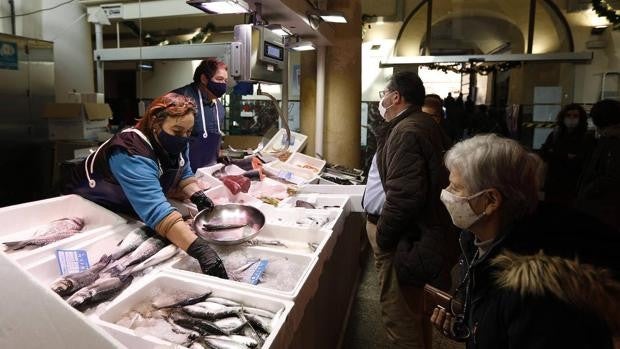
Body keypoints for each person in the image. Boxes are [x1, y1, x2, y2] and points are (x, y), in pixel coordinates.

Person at [431, 134, 620, 349]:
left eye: (456, 187)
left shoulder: (538, 289)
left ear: (491, 201)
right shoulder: (479, 242)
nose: (446, 193)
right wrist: (472, 330)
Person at [63, 92, 228, 279]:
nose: (184, 137)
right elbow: (157, 211)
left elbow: (184, 173)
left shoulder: (177, 141)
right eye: (177, 131)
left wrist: (197, 195)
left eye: (188, 132)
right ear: (155, 123)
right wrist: (201, 251)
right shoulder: (130, 151)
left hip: (127, 210)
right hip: (87, 210)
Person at [375, 71, 457, 348]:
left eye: (383, 94)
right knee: (416, 314)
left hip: (408, 239)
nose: (381, 100)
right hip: (422, 237)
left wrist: (383, 239)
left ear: (395, 96)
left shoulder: (407, 131)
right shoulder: (419, 124)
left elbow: (404, 196)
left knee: (401, 319)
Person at [172, 58, 229, 172]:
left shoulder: (219, 106)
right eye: (219, 79)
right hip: (180, 173)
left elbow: (215, 139)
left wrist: (219, 154)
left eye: (225, 81)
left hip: (208, 172)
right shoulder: (180, 100)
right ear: (204, 78)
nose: (223, 85)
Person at [577, 99, 620, 230]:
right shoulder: (606, 140)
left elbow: (611, 177)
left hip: (603, 211)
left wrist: (588, 191)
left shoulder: (613, 143)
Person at [540, 104, 591, 206]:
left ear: (581, 118)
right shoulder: (555, 134)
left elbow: (581, 159)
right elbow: (544, 153)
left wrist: (555, 154)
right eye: (568, 115)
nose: (571, 118)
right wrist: (566, 156)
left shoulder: (586, 137)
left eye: (575, 116)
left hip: (573, 185)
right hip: (553, 183)